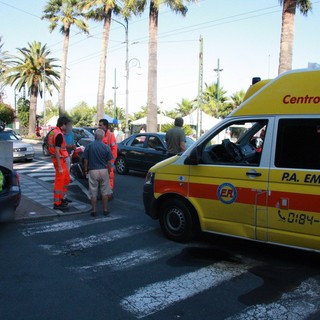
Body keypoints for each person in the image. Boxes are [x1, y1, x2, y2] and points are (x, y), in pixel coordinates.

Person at [83, 128, 113, 216]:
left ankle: (94, 211)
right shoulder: (106, 147)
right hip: (103, 170)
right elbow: (109, 162)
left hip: (93, 171)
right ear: (103, 137)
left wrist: (85, 170)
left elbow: (86, 160)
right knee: (105, 192)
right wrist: (108, 172)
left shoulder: (89, 146)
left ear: (95, 136)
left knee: (93, 192)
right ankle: (105, 209)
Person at [47, 116, 71, 211]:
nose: (68, 127)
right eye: (67, 125)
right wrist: (60, 166)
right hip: (59, 160)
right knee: (59, 182)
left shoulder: (54, 132)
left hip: (60, 160)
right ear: (63, 124)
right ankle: (57, 203)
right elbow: (57, 151)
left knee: (66, 179)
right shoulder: (59, 135)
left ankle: (61, 199)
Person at [98, 118, 117, 195]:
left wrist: (111, 161)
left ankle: (109, 193)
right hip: (101, 161)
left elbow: (114, 149)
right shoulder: (99, 135)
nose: (99, 126)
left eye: (100, 125)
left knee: (110, 177)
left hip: (108, 161)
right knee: (101, 178)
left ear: (105, 126)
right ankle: (103, 193)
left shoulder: (110, 135)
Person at [63, 121, 76, 203]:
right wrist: (69, 146)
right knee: (63, 178)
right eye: (69, 126)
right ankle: (62, 197)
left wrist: (73, 147)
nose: (71, 127)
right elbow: (60, 146)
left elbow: (72, 143)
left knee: (66, 178)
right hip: (63, 157)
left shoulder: (71, 133)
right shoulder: (61, 134)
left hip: (69, 155)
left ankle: (64, 196)